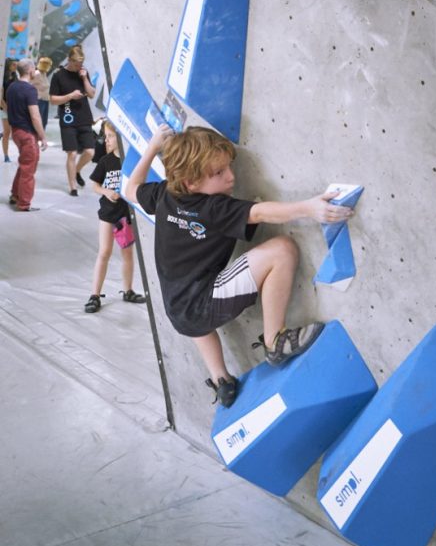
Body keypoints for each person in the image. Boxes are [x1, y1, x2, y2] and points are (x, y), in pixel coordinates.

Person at [125, 123, 352, 408]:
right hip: (201, 304)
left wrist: (153, 147)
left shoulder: (164, 195)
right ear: (191, 183)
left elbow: (131, 189)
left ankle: (221, 379)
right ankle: (275, 341)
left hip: (176, 308)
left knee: (195, 317)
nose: (231, 177)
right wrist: (309, 208)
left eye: (228, 167)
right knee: (282, 250)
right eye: (218, 174)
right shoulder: (213, 208)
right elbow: (260, 212)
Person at [85, 121, 147, 313]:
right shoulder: (105, 161)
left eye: (110, 136)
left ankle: (128, 290)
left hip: (126, 217)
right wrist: (106, 192)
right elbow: (94, 185)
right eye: (106, 136)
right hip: (107, 215)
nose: (107, 141)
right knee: (104, 251)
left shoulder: (131, 162)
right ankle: (95, 295)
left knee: (127, 254)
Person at [49, 45, 97, 196]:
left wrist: (84, 78)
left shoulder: (83, 73)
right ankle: (73, 186)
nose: (79, 67)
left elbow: (91, 94)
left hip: (84, 117)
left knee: (90, 152)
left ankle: (76, 171)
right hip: (68, 118)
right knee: (72, 154)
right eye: (77, 65)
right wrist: (70, 96)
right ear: (69, 60)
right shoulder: (58, 76)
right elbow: (53, 100)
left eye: (81, 64)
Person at [6, 58, 48, 211]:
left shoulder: (12, 87)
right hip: (28, 134)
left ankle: (15, 194)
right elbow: (35, 117)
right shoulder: (30, 90)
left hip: (16, 132)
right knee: (29, 170)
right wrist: (43, 137)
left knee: (24, 165)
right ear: (30, 70)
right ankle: (24, 203)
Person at [1, 58, 18, 162]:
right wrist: (6, 107)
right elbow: (0, 97)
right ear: (8, 66)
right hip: (4, 107)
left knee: (12, 132)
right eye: (13, 65)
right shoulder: (3, 79)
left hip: (14, 107)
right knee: (7, 132)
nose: (15, 66)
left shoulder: (16, 78)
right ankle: (6, 156)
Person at [33, 56, 53, 129]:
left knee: (44, 122)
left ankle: (40, 137)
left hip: (45, 100)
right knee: (38, 121)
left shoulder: (44, 74)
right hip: (38, 100)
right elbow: (28, 84)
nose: (50, 67)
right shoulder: (36, 74)